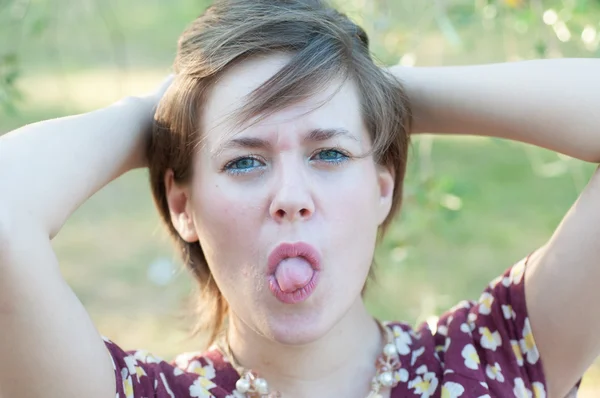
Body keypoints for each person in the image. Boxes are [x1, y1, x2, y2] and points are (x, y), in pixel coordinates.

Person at [0, 0, 598, 397]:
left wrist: (378, 92)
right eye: (244, 161)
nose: (290, 197)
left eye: (330, 154)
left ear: (382, 187)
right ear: (183, 206)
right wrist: (154, 118)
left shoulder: (496, 358)